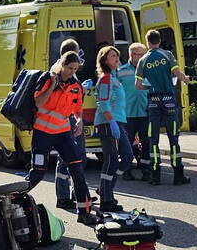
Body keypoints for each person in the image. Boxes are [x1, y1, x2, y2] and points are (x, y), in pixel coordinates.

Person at [25, 51, 97, 225]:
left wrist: (79, 120)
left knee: (77, 172)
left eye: (75, 69)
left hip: (63, 134)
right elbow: (39, 103)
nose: (72, 72)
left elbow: (77, 107)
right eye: (70, 68)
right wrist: (52, 86)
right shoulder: (47, 79)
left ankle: (84, 213)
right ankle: (13, 199)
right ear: (62, 65)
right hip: (42, 134)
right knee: (38, 173)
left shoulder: (76, 86)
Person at [135, 29, 190, 186]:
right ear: (159, 41)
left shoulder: (143, 60)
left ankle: (155, 176)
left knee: (153, 139)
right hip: (168, 100)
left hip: (153, 102)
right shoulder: (167, 55)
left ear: (147, 42)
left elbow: (138, 85)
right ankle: (178, 175)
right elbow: (178, 74)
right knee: (173, 137)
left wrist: (150, 88)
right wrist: (185, 79)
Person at [93, 46, 132, 212]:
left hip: (118, 122)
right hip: (108, 123)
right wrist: (112, 123)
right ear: (104, 60)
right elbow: (103, 102)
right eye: (112, 56)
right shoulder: (106, 78)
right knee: (111, 160)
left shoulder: (114, 77)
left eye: (117, 55)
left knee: (128, 156)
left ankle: (105, 190)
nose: (117, 58)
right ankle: (106, 199)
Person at [53, 39, 88, 211]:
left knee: (77, 156)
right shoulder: (58, 72)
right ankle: (63, 196)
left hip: (70, 118)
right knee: (66, 157)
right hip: (65, 119)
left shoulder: (67, 70)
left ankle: (76, 192)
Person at [119, 42, 151, 181]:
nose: (144, 57)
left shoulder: (148, 70)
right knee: (128, 144)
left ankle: (146, 171)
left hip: (145, 112)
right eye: (141, 55)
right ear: (132, 54)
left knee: (146, 143)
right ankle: (126, 171)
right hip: (127, 114)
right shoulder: (121, 71)